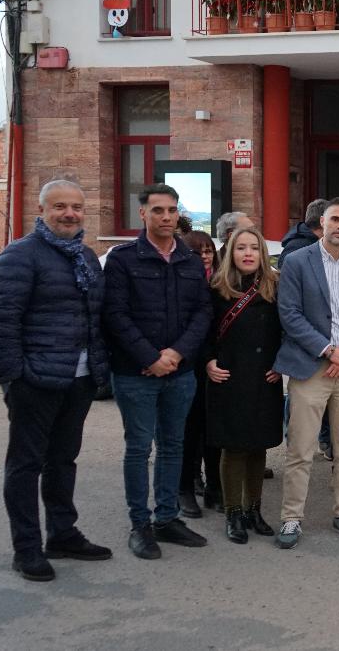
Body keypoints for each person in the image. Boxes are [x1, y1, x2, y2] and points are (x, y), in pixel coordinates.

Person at [0, 180, 112, 581]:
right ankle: (26, 548)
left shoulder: (87, 257)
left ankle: (62, 533)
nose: (70, 214)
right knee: (25, 465)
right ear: (41, 210)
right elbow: (3, 320)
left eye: (77, 207)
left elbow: (95, 318)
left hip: (77, 379)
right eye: (60, 206)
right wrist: (14, 377)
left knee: (62, 460)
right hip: (35, 381)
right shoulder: (20, 255)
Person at [103, 183, 213, 558]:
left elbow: (202, 312)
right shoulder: (122, 259)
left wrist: (178, 353)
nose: (166, 217)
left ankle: (167, 518)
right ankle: (140, 524)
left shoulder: (188, 259)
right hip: (136, 374)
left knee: (173, 445)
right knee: (138, 449)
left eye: (172, 210)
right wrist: (150, 357)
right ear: (143, 214)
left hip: (180, 373)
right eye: (158, 211)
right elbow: (115, 316)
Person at [273, 197, 339, 549]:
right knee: (301, 448)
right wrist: (329, 350)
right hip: (311, 366)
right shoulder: (298, 261)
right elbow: (289, 314)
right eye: (336, 219)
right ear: (322, 222)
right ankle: (291, 518)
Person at [203, 227, 283, 544]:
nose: (248, 253)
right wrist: (208, 361)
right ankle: (233, 511)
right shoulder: (216, 288)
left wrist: (282, 363)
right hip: (229, 376)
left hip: (265, 376)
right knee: (234, 446)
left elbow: (285, 331)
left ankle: (254, 509)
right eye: (241, 248)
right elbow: (203, 331)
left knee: (258, 445)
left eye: (253, 248)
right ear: (231, 253)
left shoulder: (275, 287)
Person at [179, 230, 221, 518]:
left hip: (216, 364)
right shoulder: (183, 281)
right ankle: (188, 482)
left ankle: (214, 487)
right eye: (198, 252)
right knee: (189, 428)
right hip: (188, 362)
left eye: (208, 251)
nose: (205, 256)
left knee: (213, 427)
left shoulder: (221, 282)